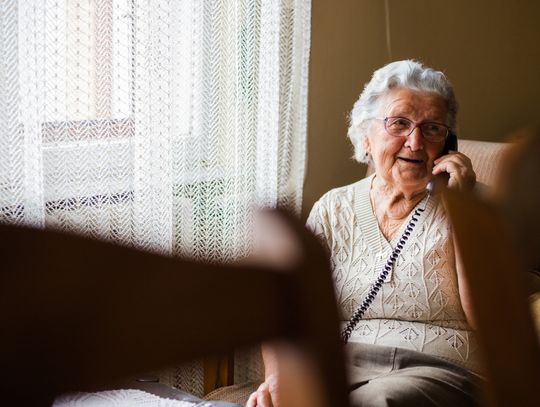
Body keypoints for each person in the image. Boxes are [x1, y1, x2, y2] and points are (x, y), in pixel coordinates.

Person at [248, 60, 482, 406]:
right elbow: (286, 307)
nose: (415, 142)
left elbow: (487, 318)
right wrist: (278, 375)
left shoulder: (473, 208)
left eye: (432, 128)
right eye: (400, 123)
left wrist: (463, 211)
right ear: (366, 135)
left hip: (440, 370)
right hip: (341, 365)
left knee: (378, 400)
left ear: (448, 144)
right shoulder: (333, 208)